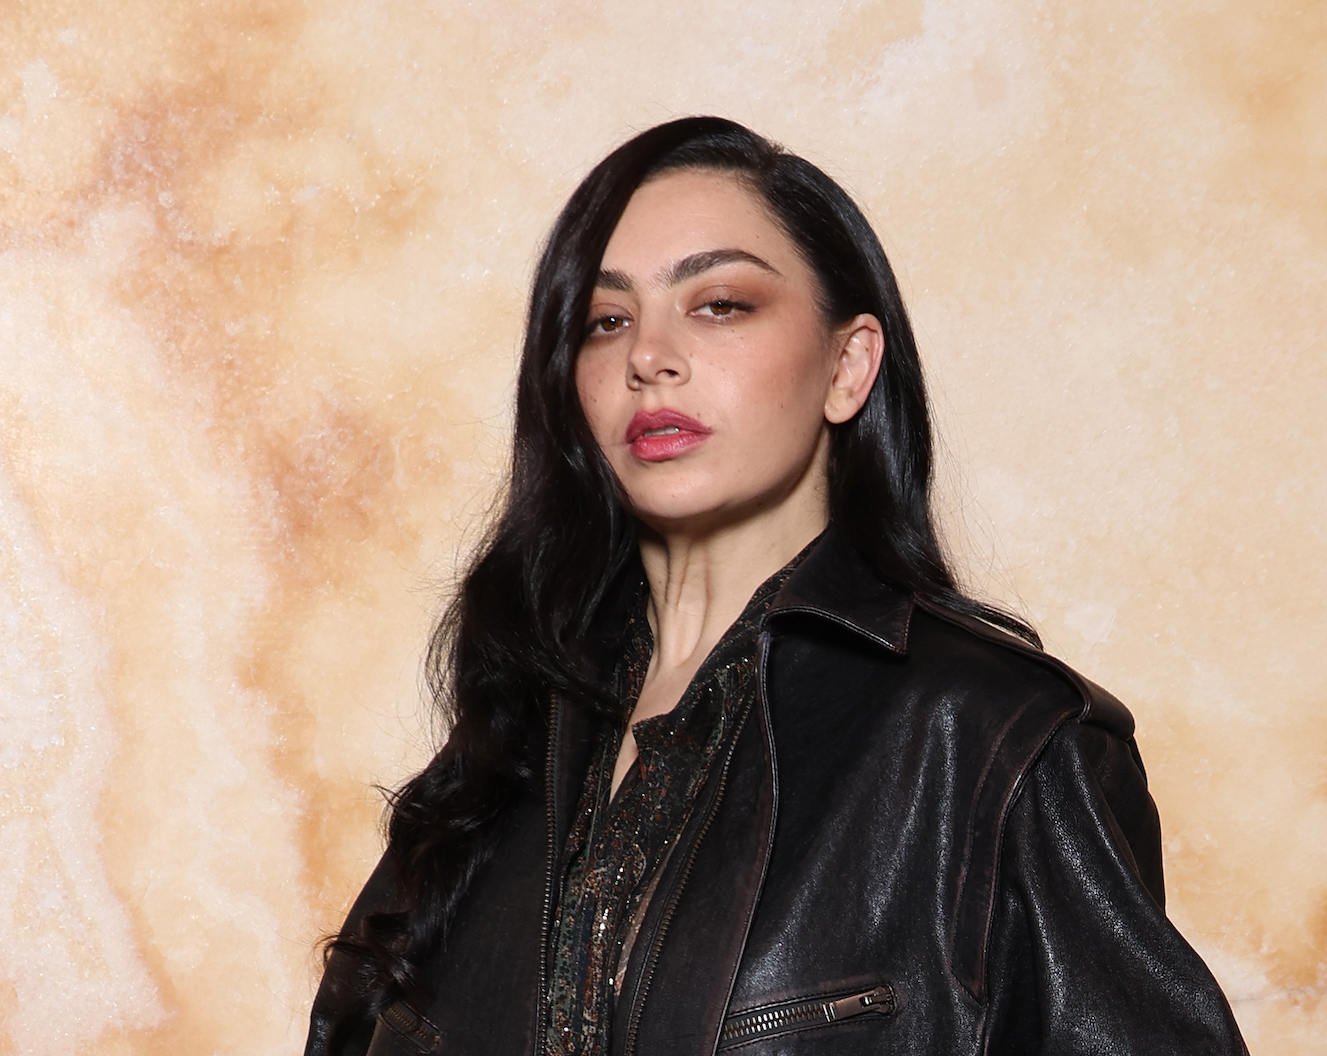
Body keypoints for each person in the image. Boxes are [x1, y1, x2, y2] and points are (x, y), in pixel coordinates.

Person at [306, 116, 1248, 1056]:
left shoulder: (996, 741)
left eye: (720, 304)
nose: (649, 357)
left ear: (848, 366)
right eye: (606, 321)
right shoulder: (510, 737)